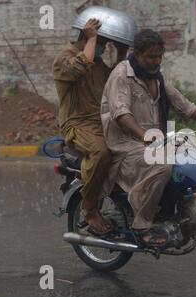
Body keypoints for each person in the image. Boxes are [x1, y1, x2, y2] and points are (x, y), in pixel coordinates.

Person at [101, 29, 196, 246]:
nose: (157, 61)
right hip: (124, 145)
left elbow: (183, 105)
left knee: (192, 156)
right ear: (137, 54)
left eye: (159, 56)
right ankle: (143, 224)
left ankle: (182, 212)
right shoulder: (121, 75)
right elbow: (121, 113)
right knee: (163, 166)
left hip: (153, 141)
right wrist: (143, 135)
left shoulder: (156, 77)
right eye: (151, 57)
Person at [53, 10, 136, 237]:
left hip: (101, 121)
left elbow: (114, 80)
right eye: (102, 41)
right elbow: (80, 66)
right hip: (77, 125)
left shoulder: (97, 62)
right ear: (85, 36)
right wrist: (91, 38)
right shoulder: (64, 58)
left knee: (137, 148)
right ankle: (89, 209)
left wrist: (122, 52)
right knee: (101, 152)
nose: (103, 47)